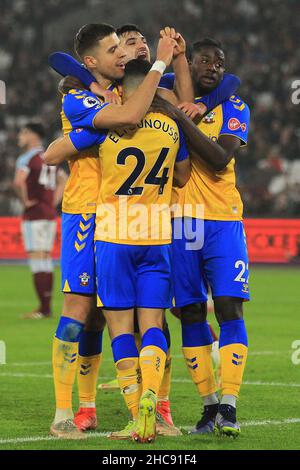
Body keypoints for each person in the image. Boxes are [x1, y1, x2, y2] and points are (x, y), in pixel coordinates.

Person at [45, 58, 190, 443]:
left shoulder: (110, 127)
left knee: (118, 325)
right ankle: (140, 404)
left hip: (112, 231)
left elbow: (51, 155)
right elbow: (183, 174)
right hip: (147, 233)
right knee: (144, 323)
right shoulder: (168, 127)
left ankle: (140, 410)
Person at [169, 38, 250, 437]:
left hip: (222, 220)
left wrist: (185, 115)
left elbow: (221, 157)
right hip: (182, 220)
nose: (214, 67)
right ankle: (208, 406)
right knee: (190, 312)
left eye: (220, 62)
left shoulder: (235, 106)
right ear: (189, 64)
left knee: (230, 309)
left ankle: (230, 407)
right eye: (204, 60)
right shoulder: (170, 92)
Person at [13, 122, 66, 319]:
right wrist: (53, 201)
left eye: (24, 132)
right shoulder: (49, 155)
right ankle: (46, 306)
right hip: (49, 213)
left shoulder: (27, 158)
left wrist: (25, 201)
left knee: (37, 259)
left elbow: (18, 182)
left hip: (34, 214)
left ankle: (43, 309)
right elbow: (63, 179)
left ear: (33, 136)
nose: (20, 136)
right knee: (45, 258)